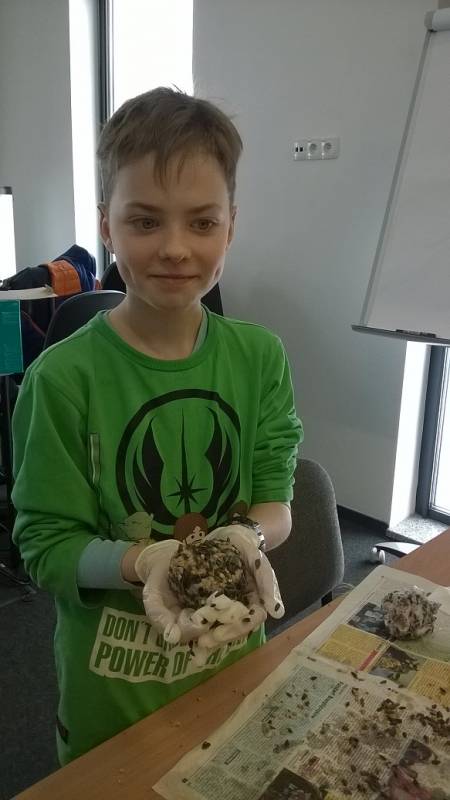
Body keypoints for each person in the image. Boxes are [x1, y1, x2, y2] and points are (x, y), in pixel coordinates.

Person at [12, 87, 303, 764]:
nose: (175, 248)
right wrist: (142, 561)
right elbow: (46, 548)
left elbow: (277, 502)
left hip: (234, 670)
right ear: (106, 226)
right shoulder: (63, 380)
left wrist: (246, 537)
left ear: (231, 226)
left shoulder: (261, 358)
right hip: (114, 699)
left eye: (202, 223)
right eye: (145, 221)